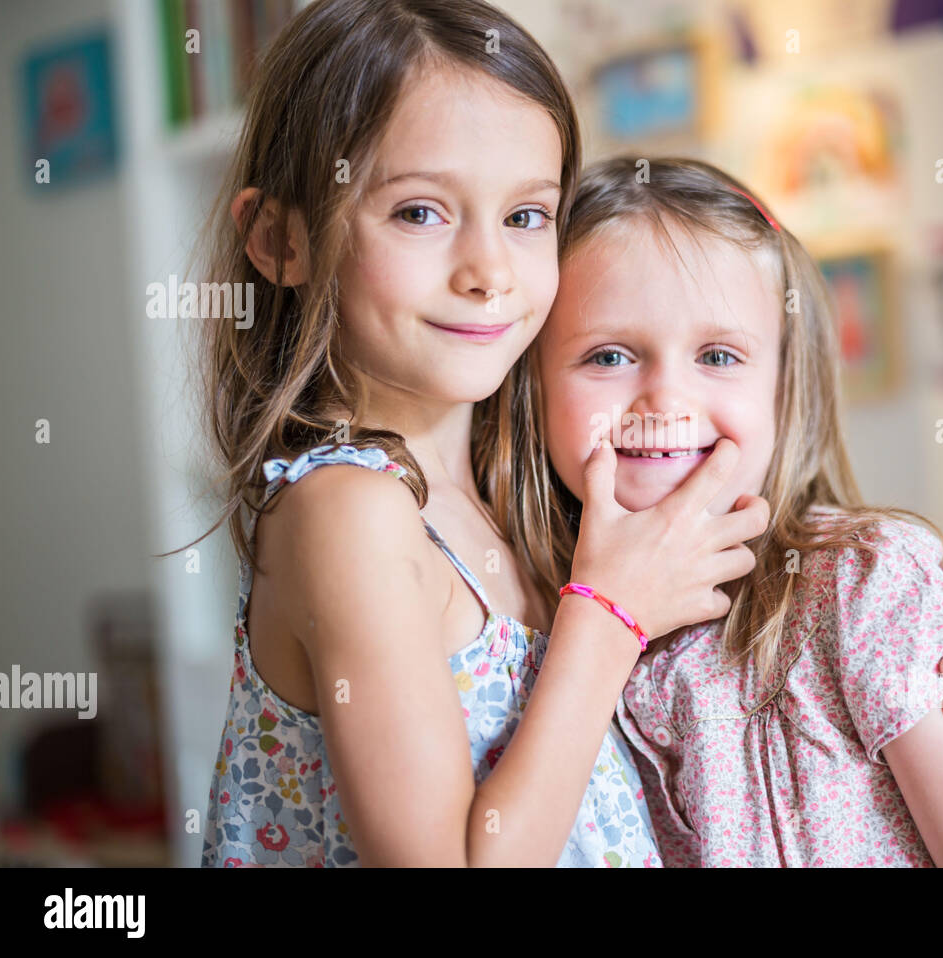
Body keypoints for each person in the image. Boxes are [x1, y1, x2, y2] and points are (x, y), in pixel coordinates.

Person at [195, 0, 769, 867]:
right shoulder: (348, 512)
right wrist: (608, 618)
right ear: (281, 240)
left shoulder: (518, 485)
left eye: (526, 216)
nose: (489, 272)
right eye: (420, 213)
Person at [489, 156, 943, 866]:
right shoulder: (532, 628)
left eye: (720, 356)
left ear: (784, 385)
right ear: (531, 389)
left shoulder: (873, 592)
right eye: (608, 356)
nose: (666, 401)